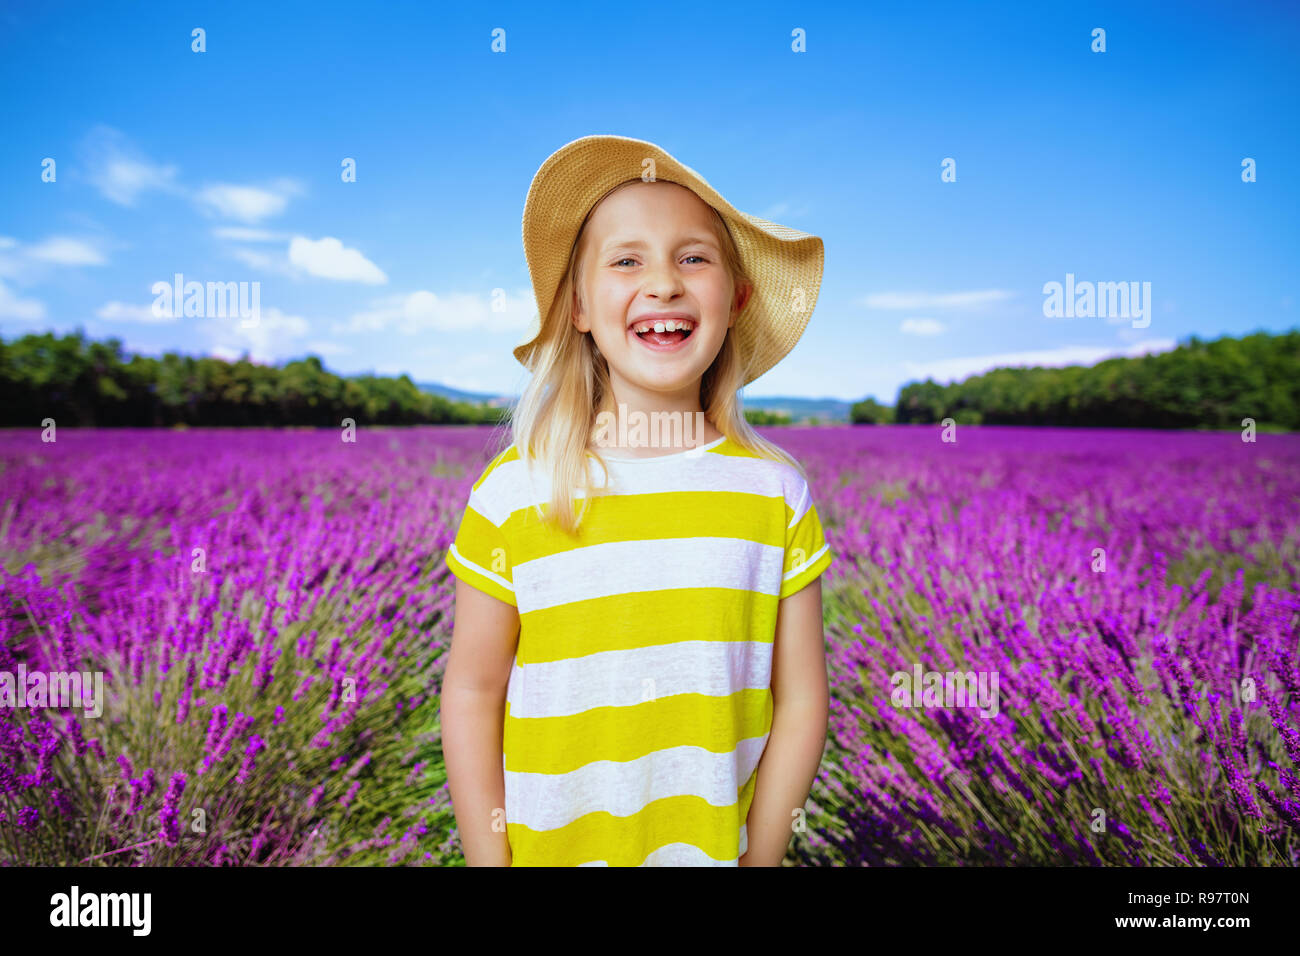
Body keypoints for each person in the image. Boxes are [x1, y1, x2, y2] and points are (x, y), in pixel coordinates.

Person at [440, 134, 833, 866]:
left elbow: (802, 699)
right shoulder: (515, 495)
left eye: (693, 258)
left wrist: (765, 854)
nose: (663, 283)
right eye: (627, 260)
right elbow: (471, 691)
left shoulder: (774, 495)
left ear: (735, 300)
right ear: (581, 307)